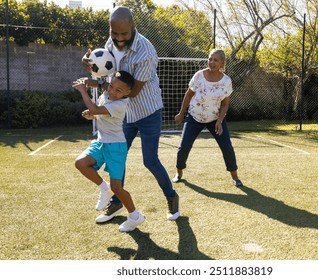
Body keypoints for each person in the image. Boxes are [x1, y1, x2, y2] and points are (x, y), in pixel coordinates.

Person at [82, 6, 179, 223]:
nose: (118, 38)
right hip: (123, 114)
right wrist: (92, 67)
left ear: (133, 26)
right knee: (118, 157)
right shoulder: (110, 43)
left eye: (123, 34)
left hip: (147, 110)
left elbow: (132, 92)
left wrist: (98, 83)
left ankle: (172, 197)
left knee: (150, 160)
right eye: (114, 33)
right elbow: (107, 71)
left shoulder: (146, 52)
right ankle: (117, 202)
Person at [73, 71, 145, 232]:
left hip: (116, 147)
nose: (112, 91)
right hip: (101, 142)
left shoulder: (121, 104)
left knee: (118, 188)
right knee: (81, 163)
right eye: (111, 86)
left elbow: (96, 108)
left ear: (127, 93)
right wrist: (92, 115)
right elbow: (98, 112)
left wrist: (84, 91)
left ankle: (135, 216)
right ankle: (104, 188)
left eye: (118, 90)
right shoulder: (106, 94)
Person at [173, 49, 243, 187]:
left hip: (215, 119)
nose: (212, 62)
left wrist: (220, 120)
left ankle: (235, 177)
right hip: (194, 117)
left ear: (222, 63)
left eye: (215, 60)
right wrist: (181, 113)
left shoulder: (226, 81)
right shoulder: (199, 76)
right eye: (210, 59)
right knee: (184, 147)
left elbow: (225, 104)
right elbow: (188, 95)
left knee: (227, 147)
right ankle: (179, 173)